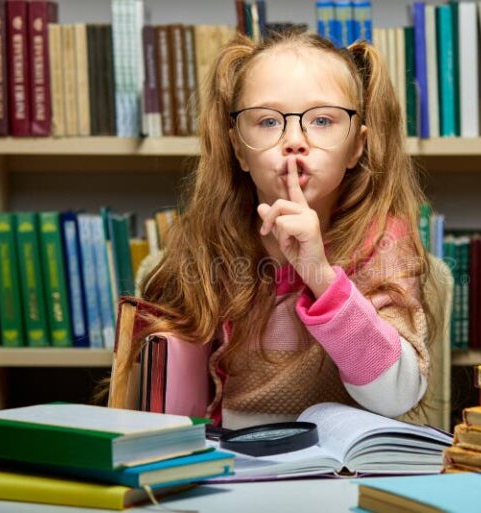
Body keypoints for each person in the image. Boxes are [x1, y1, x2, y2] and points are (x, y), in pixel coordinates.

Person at [139, 30, 438, 430]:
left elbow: (398, 396)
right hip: (234, 461)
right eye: (267, 121)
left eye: (322, 120)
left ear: (356, 147)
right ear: (239, 149)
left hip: (343, 467)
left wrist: (320, 275)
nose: (294, 141)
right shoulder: (211, 239)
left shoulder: (383, 241)